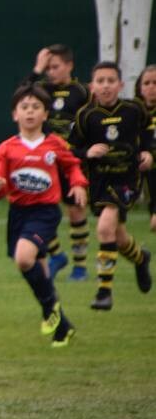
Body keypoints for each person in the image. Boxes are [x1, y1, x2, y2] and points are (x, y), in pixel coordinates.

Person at [0, 84, 88, 347]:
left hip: (44, 212)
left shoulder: (54, 144)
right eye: (24, 107)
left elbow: (73, 166)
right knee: (38, 270)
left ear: (45, 114)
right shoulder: (6, 148)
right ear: (14, 115)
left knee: (23, 258)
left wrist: (77, 184)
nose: (30, 112)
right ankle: (61, 326)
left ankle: (50, 311)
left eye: (36, 107)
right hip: (18, 213)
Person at [67, 61, 154, 310]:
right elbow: (71, 150)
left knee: (105, 229)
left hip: (126, 179)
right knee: (118, 237)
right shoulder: (86, 116)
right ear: (92, 86)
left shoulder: (133, 110)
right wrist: (87, 152)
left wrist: (148, 153)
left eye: (110, 81)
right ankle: (140, 257)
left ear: (121, 84)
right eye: (100, 81)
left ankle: (104, 292)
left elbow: (148, 131)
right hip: (99, 182)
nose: (106, 86)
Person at [29, 44, 91, 280]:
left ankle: (80, 266)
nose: (50, 72)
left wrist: (83, 153)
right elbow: (21, 95)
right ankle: (57, 255)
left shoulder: (82, 92)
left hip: (70, 160)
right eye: (48, 67)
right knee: (37, 208)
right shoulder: (42, 89)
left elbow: (90, 123)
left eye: (55, 67)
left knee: (75, 210)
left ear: (69, 66)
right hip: (44, 160)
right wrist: (37, 69)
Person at [136, 64, 156, 234]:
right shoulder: (134, 112)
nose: (151, 87)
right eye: (147, 83)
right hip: (146, 170)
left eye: (155, 83)